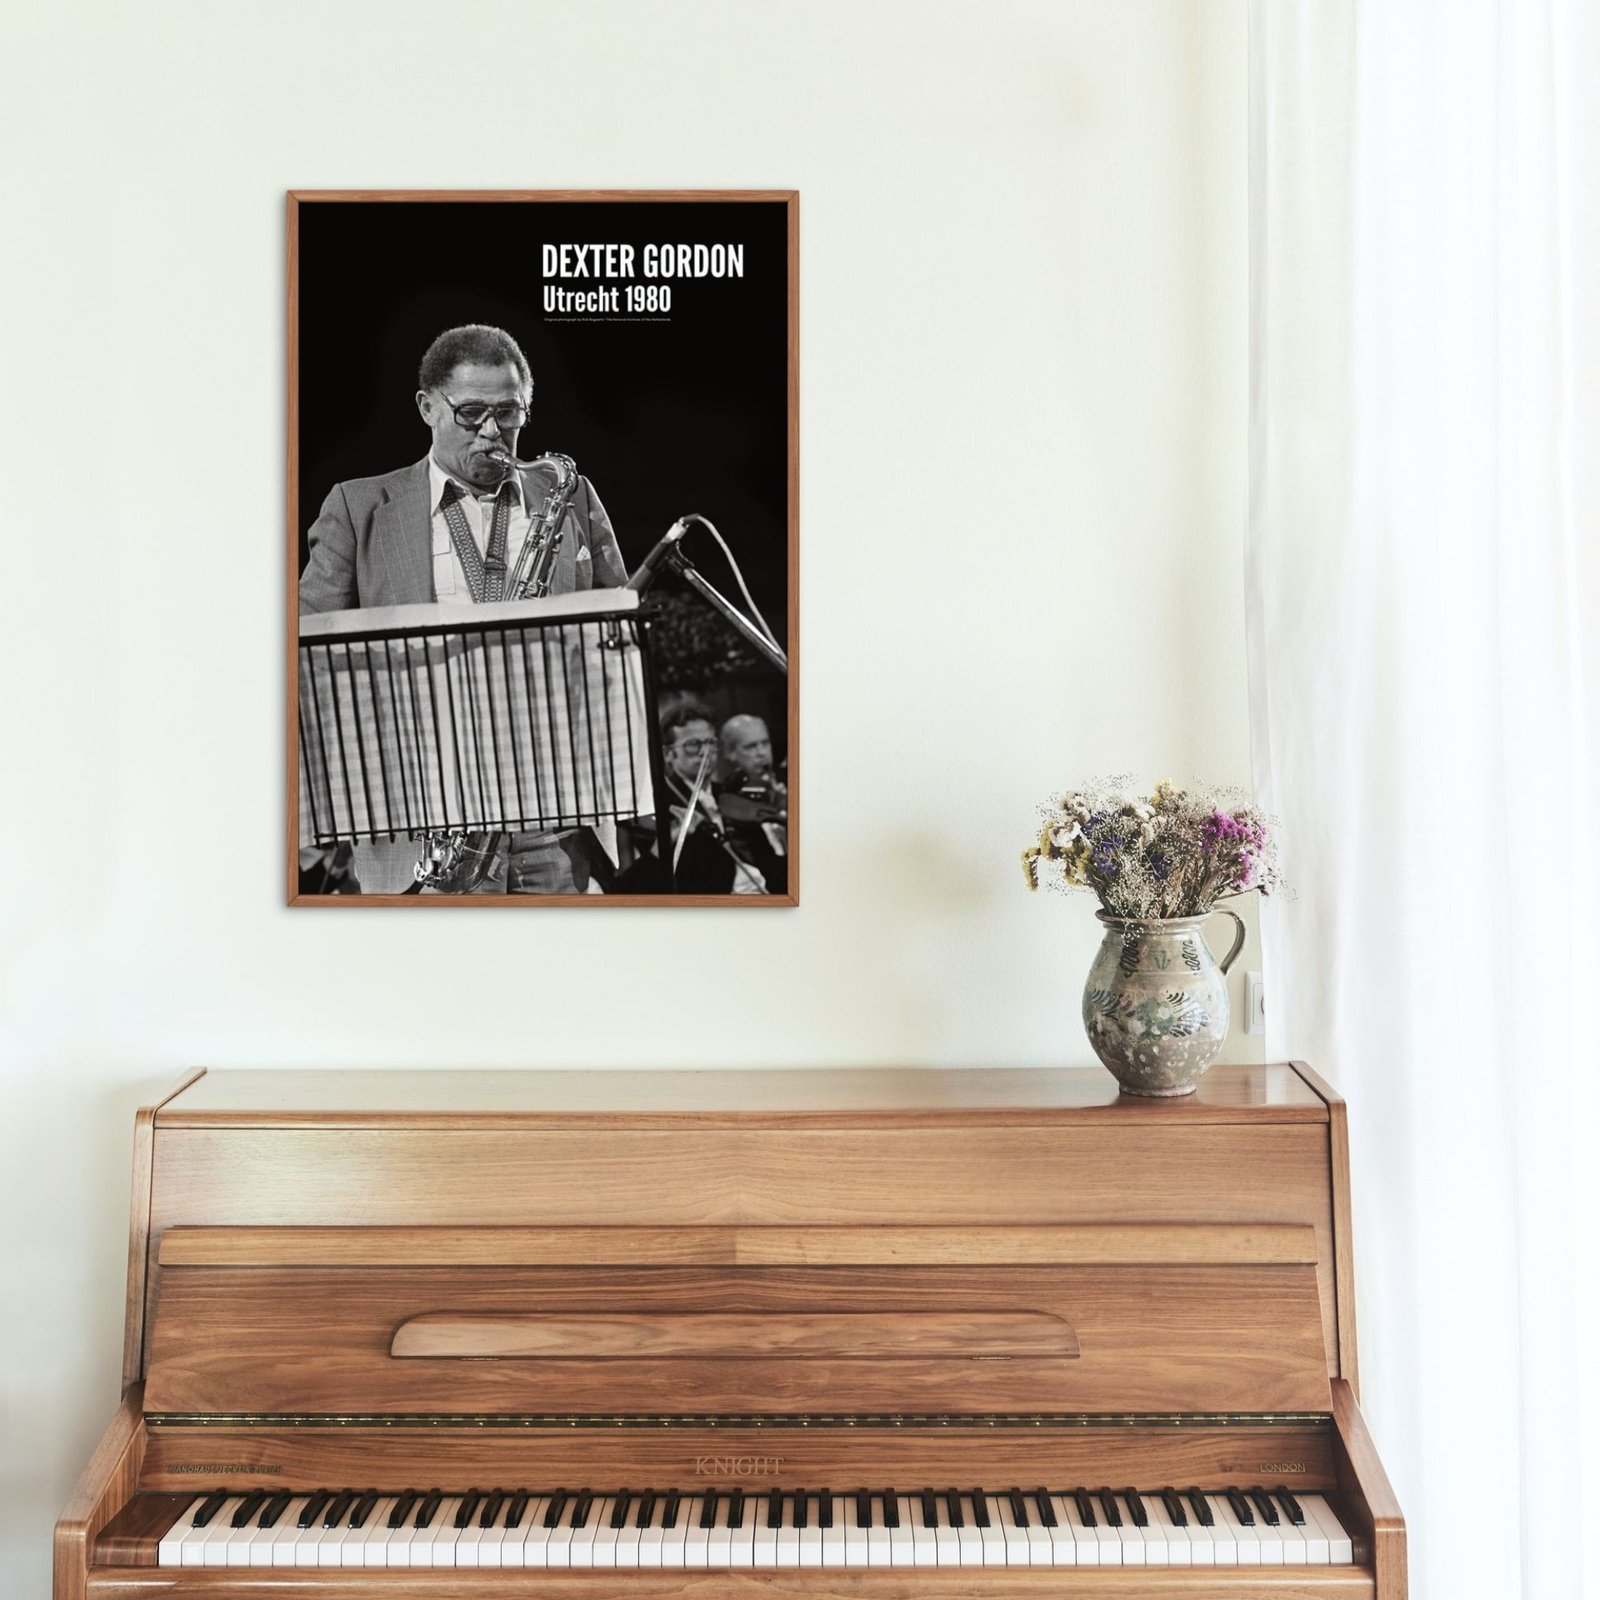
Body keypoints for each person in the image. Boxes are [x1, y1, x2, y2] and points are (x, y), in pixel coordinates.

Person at [299, 323, 628, 893]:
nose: (493, 432)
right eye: (471, 413)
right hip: (424, 816)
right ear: (428, 408)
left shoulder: (569, 495)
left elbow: (617, 631)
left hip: (554, 813)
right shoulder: (358, 506)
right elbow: (307, 656)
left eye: (509, 413)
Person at [715, 713, 788, 895]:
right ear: (731, 753)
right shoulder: (731, 798)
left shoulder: (788, 778)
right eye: (751, 746)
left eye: (765, 743)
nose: (761, 753)